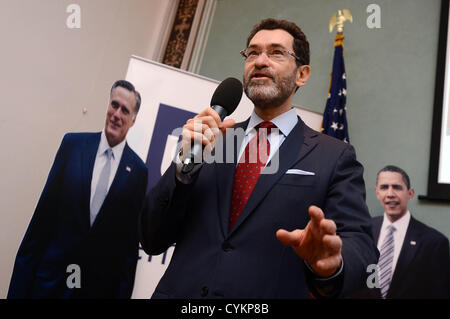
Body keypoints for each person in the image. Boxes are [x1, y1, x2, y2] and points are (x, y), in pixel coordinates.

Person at [139, 18, 378, 298]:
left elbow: (360, 247)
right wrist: (183, 169)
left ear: (302, 74)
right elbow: (151, 238)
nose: (260, 61)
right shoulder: (213, 141)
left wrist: (332, 265)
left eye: (276, 52)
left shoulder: (334, 157)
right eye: (252, 53)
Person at [8, 80, 148, 298]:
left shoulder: (138, 173)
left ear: (133, 119)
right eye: (114, 105)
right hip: (49, 285)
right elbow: (41, 221)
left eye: (125, 110)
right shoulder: (72, 146)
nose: (116, 114)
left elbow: (128, 254)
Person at [361, 165, 450, 298]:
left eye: (397, 187)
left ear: (410, 194)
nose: (390, 194)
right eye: (384, 187)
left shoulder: (434, 243)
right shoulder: (364, 231)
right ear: (377, 193)